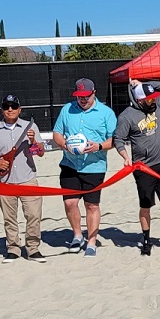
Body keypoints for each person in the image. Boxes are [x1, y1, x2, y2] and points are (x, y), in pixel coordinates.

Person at [115, 79, 160, 256]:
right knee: (146, 205)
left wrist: (144, 83)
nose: (153, 100)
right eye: (149, 98)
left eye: (154, 97)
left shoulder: (157, 104)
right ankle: (146, 240)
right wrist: (125, 156)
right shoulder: (126, 116)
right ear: (139, 100)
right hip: (143, 167)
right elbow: (118, 139)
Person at [52, 78, 116, 257]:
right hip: (70, 164)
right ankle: (77, 235)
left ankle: (92, 242)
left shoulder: (106, 113)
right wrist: (64, 144)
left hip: (94, 166)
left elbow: (115, 139)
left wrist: (99, 146)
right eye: (79, 96)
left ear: (94, 93)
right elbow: (56, 133)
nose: (82, 99)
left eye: (86, 96)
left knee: (92, 205)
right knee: (70, 202)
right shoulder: (67, 109)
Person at [0, 94, 46, 263]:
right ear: (2, 109)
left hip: (27, 178)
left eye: (13, 106)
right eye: (6, 106)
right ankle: (13, 249)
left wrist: (33, 142)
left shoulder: (30, 127)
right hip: (4, 181)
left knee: (33, 215)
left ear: (19, 109)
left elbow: (40, 152)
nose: (10, 110)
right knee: (9, 218)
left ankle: (33, 248)